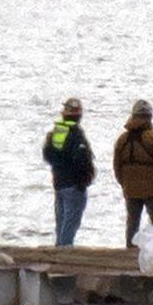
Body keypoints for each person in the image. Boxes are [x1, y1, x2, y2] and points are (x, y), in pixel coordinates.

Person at [113, 99, 153, 248]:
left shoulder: (122, 139)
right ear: (149, 117)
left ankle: (130, 250)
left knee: (132, 221)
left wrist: (124, 183)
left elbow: (116, 166)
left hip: (130, 188)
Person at [42, 97, 96, 247]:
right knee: (71, 222)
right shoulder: (76, 134)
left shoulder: (58, 131)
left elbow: (48, 155)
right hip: (73, 185)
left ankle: (59, 248)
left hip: (59, 182)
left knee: (61, 222)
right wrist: (84, 179)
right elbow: (81, 160)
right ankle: (64, 252)